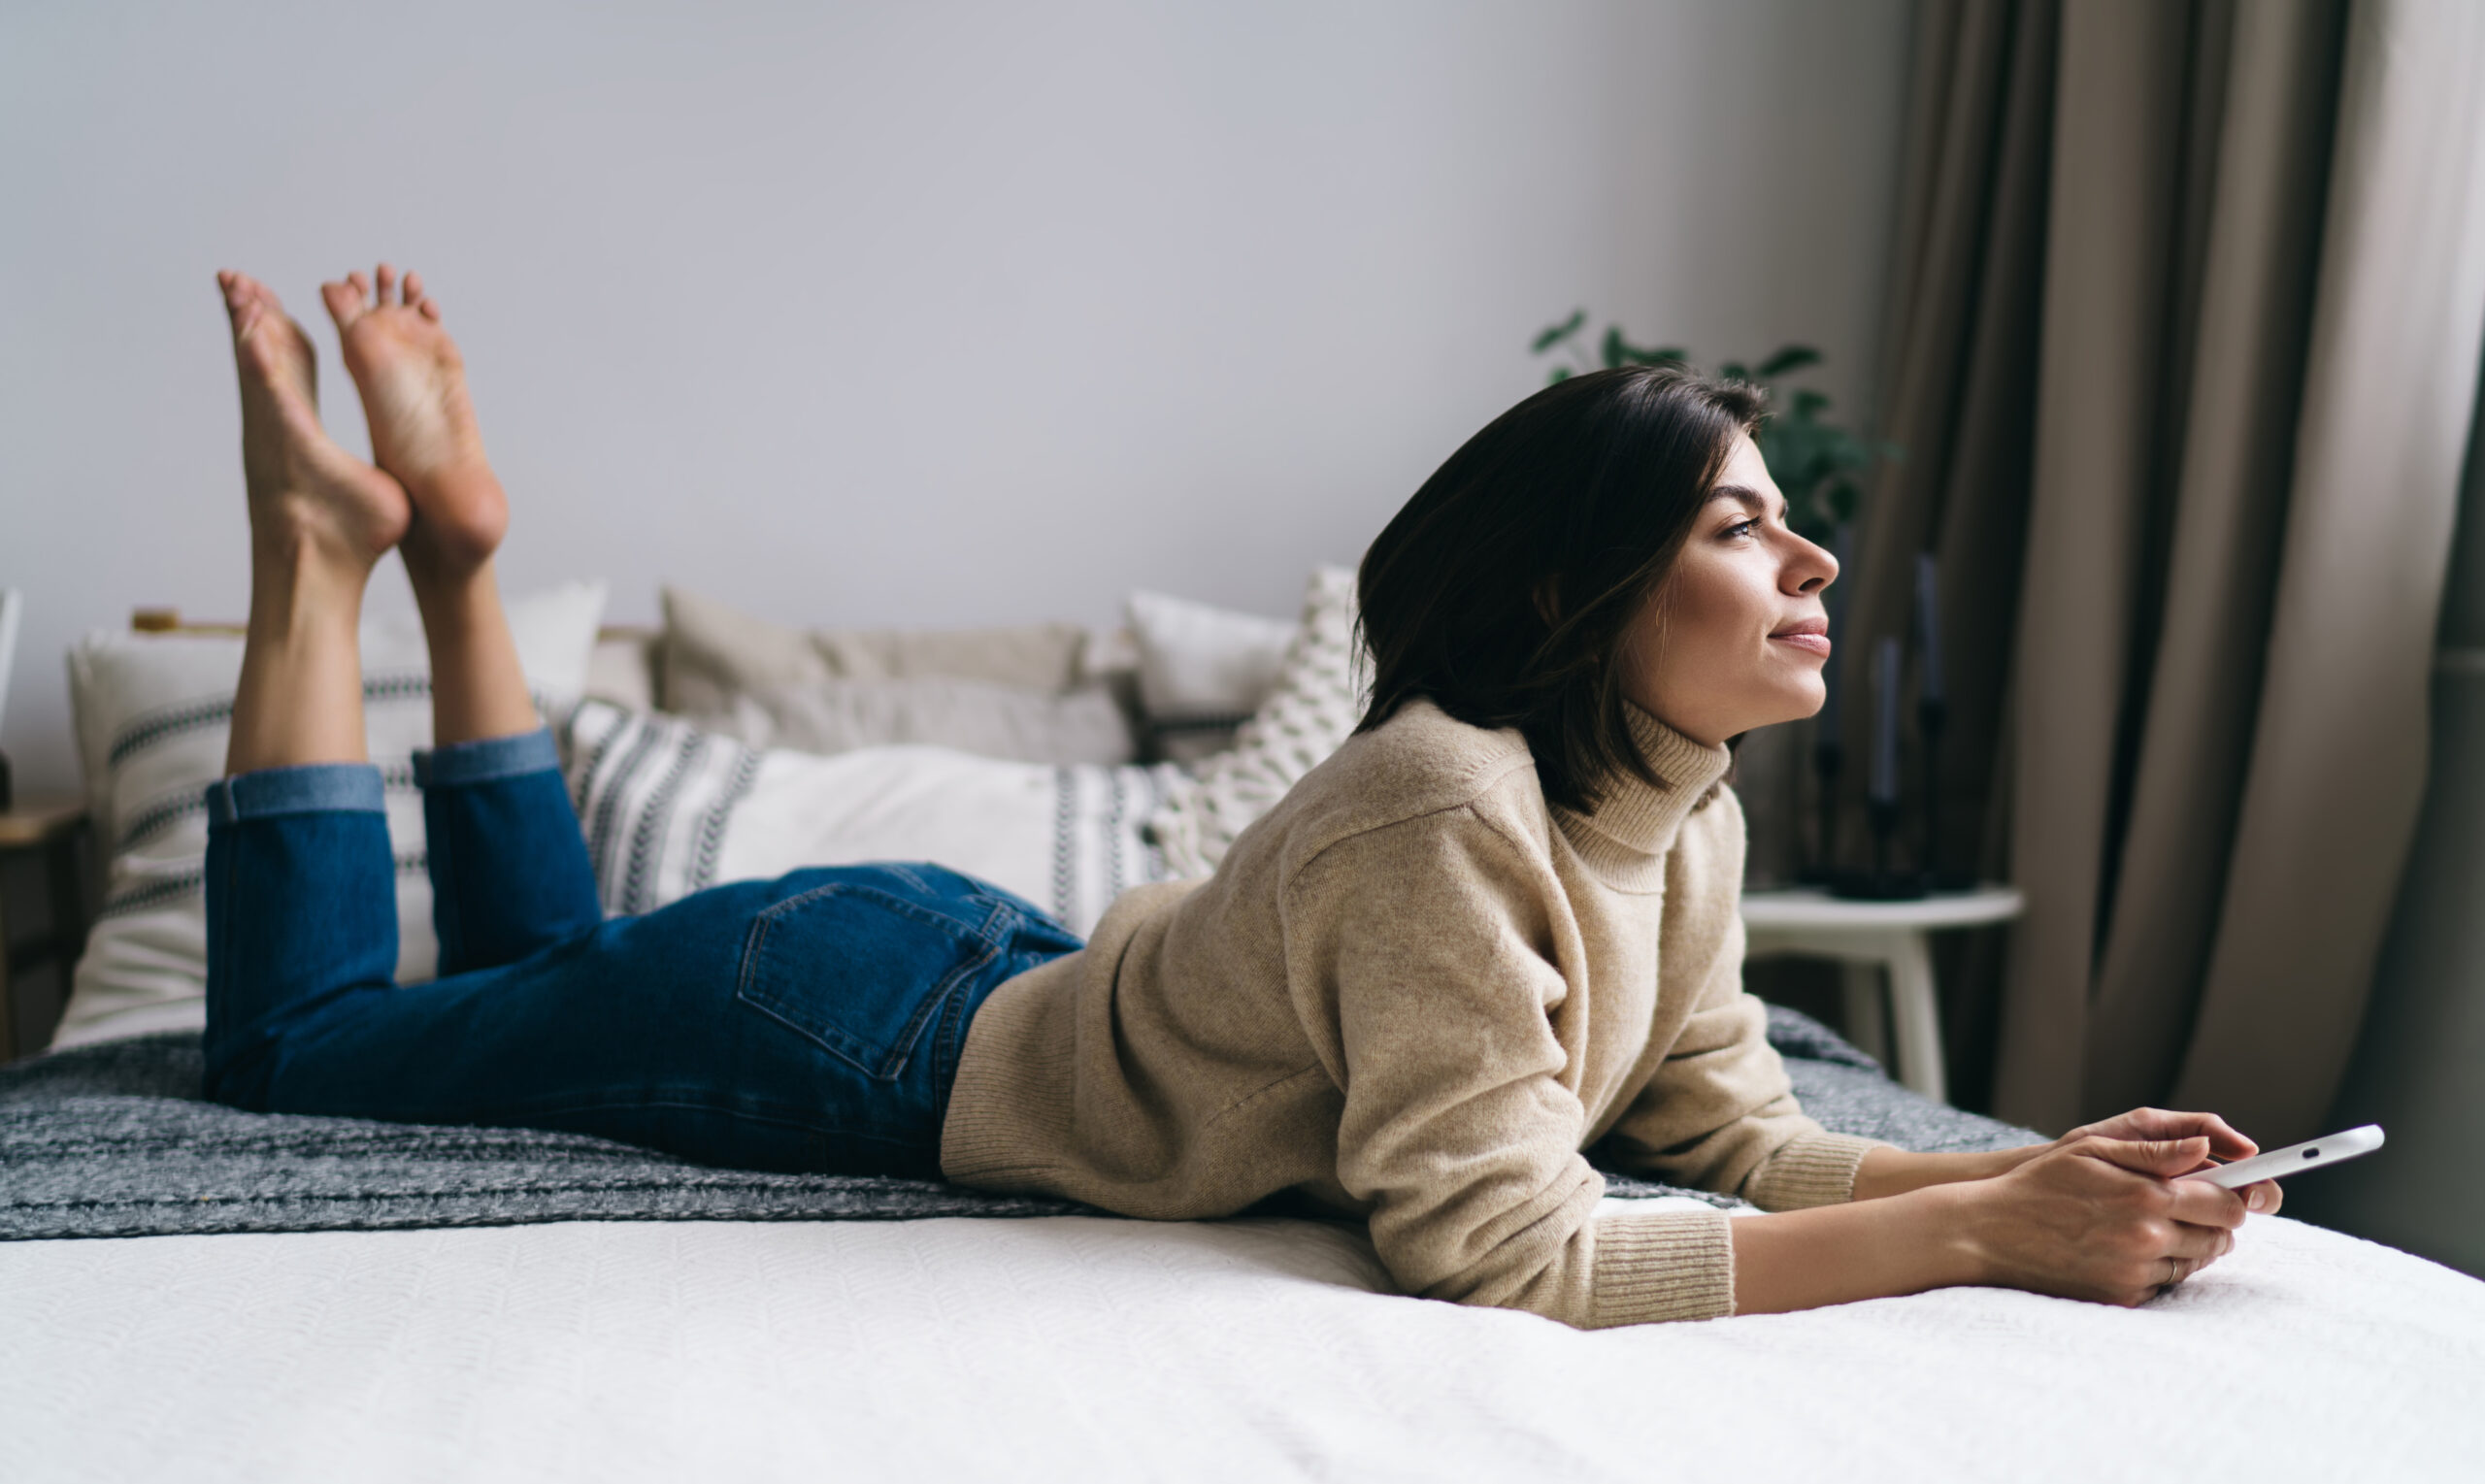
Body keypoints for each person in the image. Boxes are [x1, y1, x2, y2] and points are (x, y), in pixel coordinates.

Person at [204, 264, 2282, 1327]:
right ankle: (325, 552)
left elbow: (1715, 1124)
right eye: (1743, 529)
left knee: (519, 991)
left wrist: (2028, 1176)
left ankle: (459, 560)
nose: (1811, 561)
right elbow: (1505, 1247)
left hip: (951, 967)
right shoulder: (1443, 806)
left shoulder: (1678, 802)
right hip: (836, 1021)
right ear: (1575, 587)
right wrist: (1976, 1239)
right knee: (304, 1053)